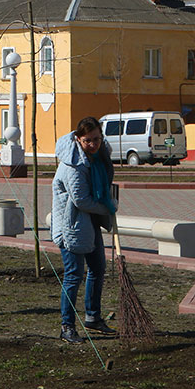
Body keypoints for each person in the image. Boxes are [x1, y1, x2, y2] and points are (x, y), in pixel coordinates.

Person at [51, 116, 119, 344]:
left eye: (97, 139)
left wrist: (107, 202)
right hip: (71, 226)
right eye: (88, 140)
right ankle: (67, 326)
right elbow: (81, 200)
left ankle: (92, 317)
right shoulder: (73, 164)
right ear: (78, 139)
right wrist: (108, 206)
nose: (93, 144)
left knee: (98, 268)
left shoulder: (96, 159)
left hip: (88, 224)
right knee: (73, 276)